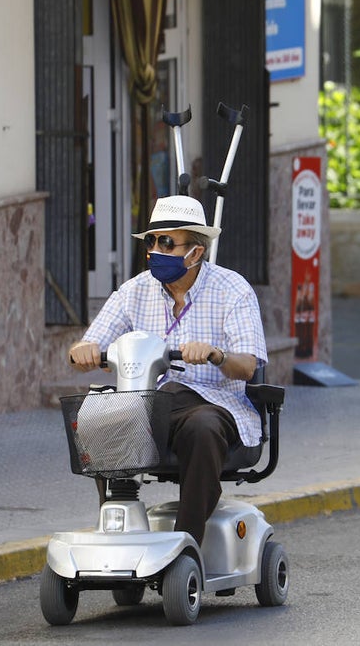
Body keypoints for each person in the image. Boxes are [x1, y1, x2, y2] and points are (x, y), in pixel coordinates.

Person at [69, 195, 268, 545]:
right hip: (152, 408)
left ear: (196, 252)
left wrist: (217, 355)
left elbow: (248, 365)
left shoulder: (232, 290)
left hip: (214, 406)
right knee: (97, 416)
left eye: (166, 242)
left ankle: (186, 541)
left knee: (200, 424)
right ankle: (117, 526)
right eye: (151, 241)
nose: (155, 250)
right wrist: (82, 351)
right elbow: (87, 346)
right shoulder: (134, 291)